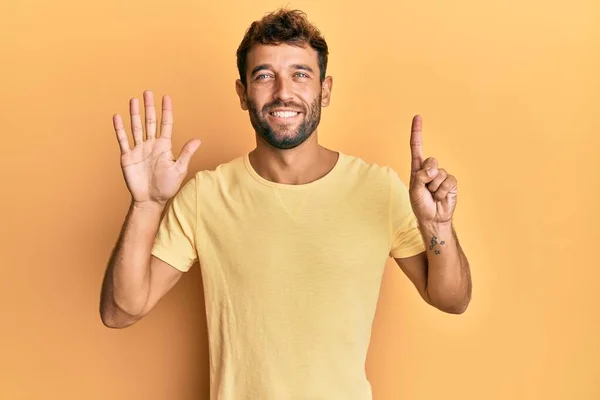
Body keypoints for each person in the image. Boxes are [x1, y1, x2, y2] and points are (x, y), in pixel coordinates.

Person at [99, 8, 472, 400]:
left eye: (300, 74)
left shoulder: (378, 188)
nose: (283, 92)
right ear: (243, 94)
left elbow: (451, 299)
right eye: (263, 75)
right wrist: (147, 204)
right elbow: (120, 311)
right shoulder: (205, 196)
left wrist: (439, 229)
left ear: (325, 91)